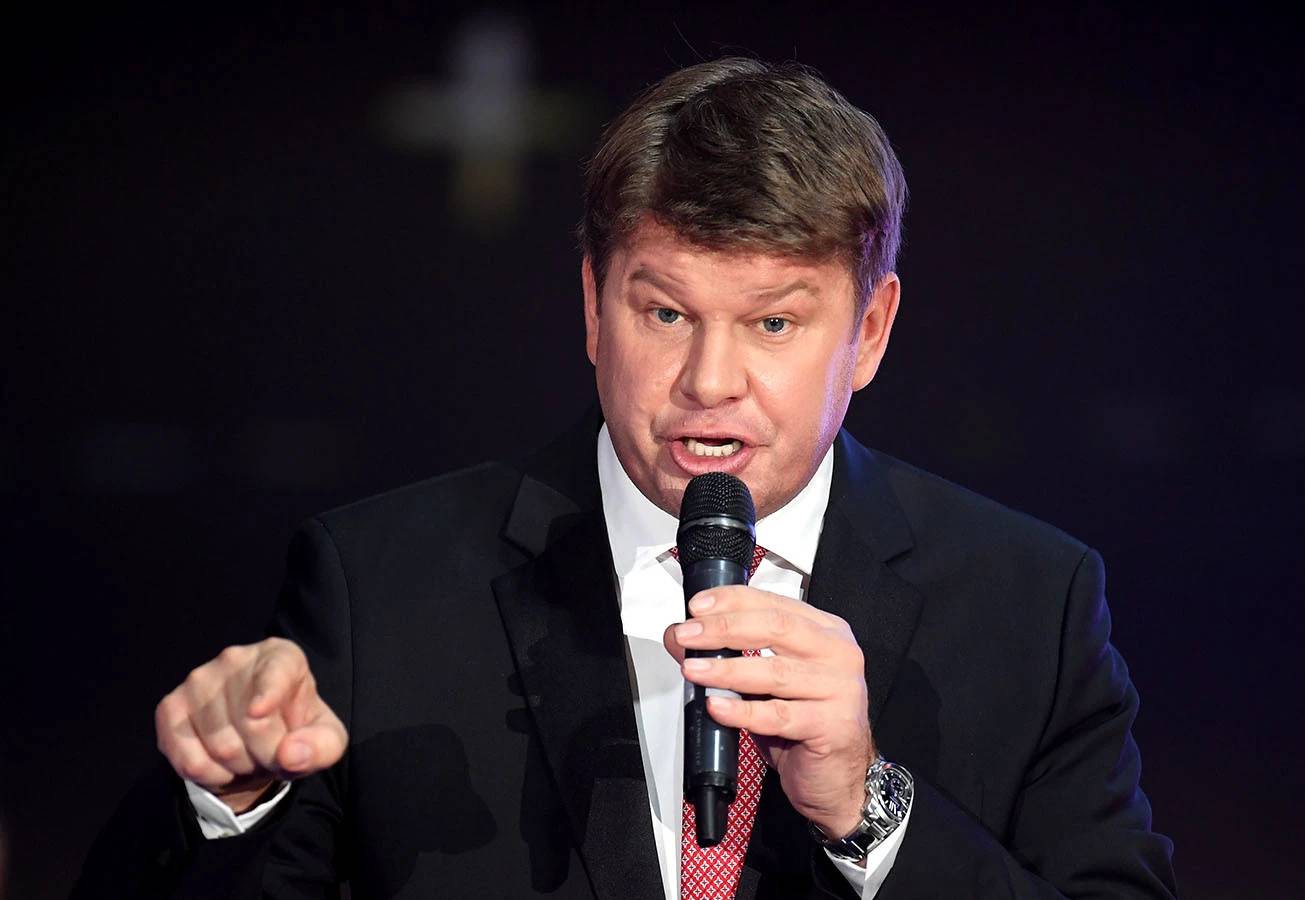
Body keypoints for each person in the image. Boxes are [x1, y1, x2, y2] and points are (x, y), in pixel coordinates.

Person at [75, 58, 1177, 899]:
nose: (710, 382)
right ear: (593, 306)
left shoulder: (1030, 601)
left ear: (872, 331)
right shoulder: (379, 585)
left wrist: (867, 807)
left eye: (775, 323)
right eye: (665, 313)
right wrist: (226, 798)